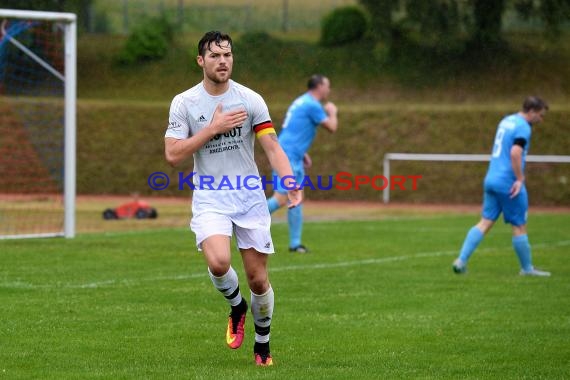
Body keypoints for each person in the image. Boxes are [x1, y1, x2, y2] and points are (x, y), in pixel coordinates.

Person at [164, 31, 301, 366]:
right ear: (201, 61)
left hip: (248, 197)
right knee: (219, 262)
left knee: (258, 279)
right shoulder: (184, 103)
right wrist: (212, 128)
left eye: (227, 55)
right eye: (214, 56)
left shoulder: (250, 99)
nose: (222, 61)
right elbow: (172, 154)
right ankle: (236, 306)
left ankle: (262, 344)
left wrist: (289, 181)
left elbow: (271, 146)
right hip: (210, 195)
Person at [452, 96, 550, 276]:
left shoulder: (506, 121)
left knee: (485, 222)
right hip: (508, 182)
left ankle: (461, 261)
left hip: (491, 178)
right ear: (532, 112)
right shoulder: (523, 127)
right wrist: (519, 179)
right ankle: (527, 269)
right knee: (519, 225)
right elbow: (515, 153)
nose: (541, 120)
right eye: (540, 115)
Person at [266, 74, 338, 253]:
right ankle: (245, 222)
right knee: (282, 198)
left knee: (296, 198)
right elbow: (332, 127)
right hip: (287, 157)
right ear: (319, 86)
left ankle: (295, 244)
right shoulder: (312, 105)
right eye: (327, 86)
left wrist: (301, 152)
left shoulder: (301, 101)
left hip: (291, 153)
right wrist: (332, 112)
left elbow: (293, 129)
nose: (329, 90)